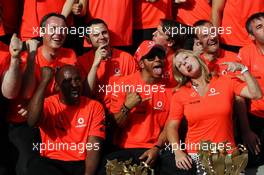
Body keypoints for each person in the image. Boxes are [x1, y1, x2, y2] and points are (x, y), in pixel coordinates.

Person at [166, 50, 262, 171]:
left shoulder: (225, 81)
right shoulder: (180, 94)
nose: (184, 63)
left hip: (229, 155)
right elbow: (171, 126)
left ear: (197, 58)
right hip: (198, 156)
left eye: (186, 58)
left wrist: (243, 69)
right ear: (180, 72)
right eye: (180, 65)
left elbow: (256, 94)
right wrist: (178, 152)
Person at [97, 40, 171, 174]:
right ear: (141, 63)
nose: (157, 59)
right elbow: (112, 127)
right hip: (124, 149)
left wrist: (156, 148)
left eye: (160, 56)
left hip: (156, 149)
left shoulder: (170, 88)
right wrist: (127, 107)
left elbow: (169, 126)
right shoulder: (123, 84)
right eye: (151, 57)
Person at [26, 65, 105, 175]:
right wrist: (44, 82)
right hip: (53, 163)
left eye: (77, 80)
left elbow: (94, 147)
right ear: (57, 87)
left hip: (80, 164)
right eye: (67, 81)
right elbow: (32, 121)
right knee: (35, 165)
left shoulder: (94, 107)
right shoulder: (49, 104)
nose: (74, 85)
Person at [78, 18, 137, 111]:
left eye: (104, 32)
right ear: (88, 40)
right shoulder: (82, 61)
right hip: (95, 111)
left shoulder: (126, 58)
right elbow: (86, 94)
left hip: (122, 110)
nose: (102, 37)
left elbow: (136, 89)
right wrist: (95, 64)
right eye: (96, 35)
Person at [238, 12, 264, 166]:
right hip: (257, 119)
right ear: (252, 36)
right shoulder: (246, 53)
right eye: (260, 27)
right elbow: (238, 96)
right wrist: (246, 130)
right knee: (252, 164)